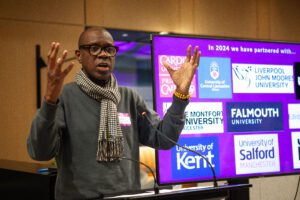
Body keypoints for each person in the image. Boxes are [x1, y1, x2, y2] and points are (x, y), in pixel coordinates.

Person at [27, 26, 200, 200]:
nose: (103, 55)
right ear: (79, 55)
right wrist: (50, 100)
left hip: (128, 196)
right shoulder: (65, 96)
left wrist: (180, 95)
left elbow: (163, 138)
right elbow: (40, 152)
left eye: (109, 49)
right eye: (94, 48)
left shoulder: (129, 97)